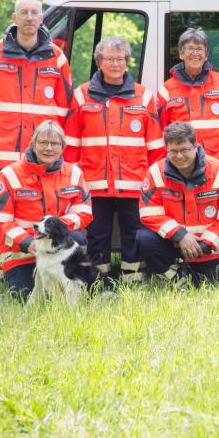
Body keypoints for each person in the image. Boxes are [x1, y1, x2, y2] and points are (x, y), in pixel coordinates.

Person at [0, 0, 73, 281]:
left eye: (35, 13)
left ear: (42, 19)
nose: (30, 18)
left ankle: (35, 269)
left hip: (41, 156)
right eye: (24, 13)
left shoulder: (57, 57)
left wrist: (51, 146)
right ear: (14, 18)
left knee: (40, 212)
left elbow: (64, 108)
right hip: (0, 152)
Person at [63, 38, 164, 284]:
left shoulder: (143, 96)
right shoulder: (82, 95)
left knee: (134, 234)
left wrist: (154, 183)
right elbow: (71, 144)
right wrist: (74, 183)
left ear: (127, 62)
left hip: (135, 184)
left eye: (120, 59)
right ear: (99, 62)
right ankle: (99, 282)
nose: (115, 64)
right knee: (98, 235)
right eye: (110, 59)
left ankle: (134, 280)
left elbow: (155, 146)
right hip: (94, 184)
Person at [0, 120, 92, 300]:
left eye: (54, 144)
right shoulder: (10, 174)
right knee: (25, 297)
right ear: (33, 144)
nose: (48, 148)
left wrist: (54, 229)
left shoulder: (74, 173)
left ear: (63, 147)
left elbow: (84, 212)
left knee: (78, 239)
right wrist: (27, 242)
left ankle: (78, 286)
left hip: (58, 249)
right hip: (23, 253)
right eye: (43, 143)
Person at [136, 121, 219, 286]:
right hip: (172, 242)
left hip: (206, 249)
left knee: (204, 288)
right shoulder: (155, 172)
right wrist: (181, 235)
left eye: (184, 150)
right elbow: (149, 213)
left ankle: (189, 274)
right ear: (167, 150)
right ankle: (177, 279)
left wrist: (204, 245)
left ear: (195, 146)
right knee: (143, 238)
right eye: (173, 151)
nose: (179, 156)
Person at [157, 27, 219, 162]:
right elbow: (161, 134)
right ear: (181, 54)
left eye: (200, 49)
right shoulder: (166, 90)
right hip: (181, 165)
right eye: (190, 48)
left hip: (217, 164)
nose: (195, 53)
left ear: (206, 55)